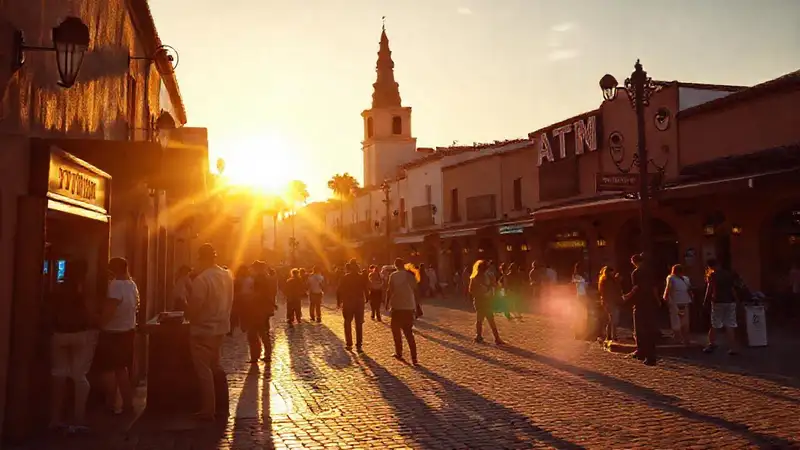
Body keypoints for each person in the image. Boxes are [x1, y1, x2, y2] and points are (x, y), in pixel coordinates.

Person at [186, 243, 234, 421]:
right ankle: (223, 405)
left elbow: (196, 305)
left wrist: (188, 313)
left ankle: (208, 410)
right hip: (221, 328)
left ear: (201, 259)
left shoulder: (202, 279)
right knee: (216, 366)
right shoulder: (227, 275)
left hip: (203, 329)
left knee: (203, 370)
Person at [48, 260, 97, 432]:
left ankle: (55, 419)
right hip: (80, 334)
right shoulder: (85, 289)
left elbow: (50, 310)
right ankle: (78, 420)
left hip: (59, 334)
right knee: (79, 376)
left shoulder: (58, 288)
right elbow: (90, 313)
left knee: (59, 376)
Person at [96, 257, 139, 415]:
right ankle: (127, 404)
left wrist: (99, 322)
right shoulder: (132, 285)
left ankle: (110, 404)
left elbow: (110, 310)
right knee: (122, 369)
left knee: (108, 370)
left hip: (113, 333)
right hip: (128, 331)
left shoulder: (115, 286)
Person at [622, 253, 658, 366]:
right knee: (649, 329)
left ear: (634, 262)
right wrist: (657, 300)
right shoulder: (650, 271)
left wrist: (627, 297)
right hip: (650, 303)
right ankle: (648, 354)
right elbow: (654, 287)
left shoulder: (636, 273)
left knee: (641, 330)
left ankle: (645, 354)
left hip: (640, 303)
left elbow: (636, 288)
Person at [703, 259, 740, 355]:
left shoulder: (713, 275)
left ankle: (711, 344)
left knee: (715, 323)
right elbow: (733, 288)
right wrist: (736, 300)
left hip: (718, 301)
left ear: (710, 267)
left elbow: (710, 289)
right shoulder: (728, 274)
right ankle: (732, 347)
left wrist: (706, 301)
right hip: (730, 301)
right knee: (730, 324)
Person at [386, 258, 418, 364]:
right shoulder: (410, 275)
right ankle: (414, 357)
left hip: (397, 307)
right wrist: (416, 306)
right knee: (409, 333)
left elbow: (389, 290)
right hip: (409, 307)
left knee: (396, 331)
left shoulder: (393, 276)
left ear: (395, 266)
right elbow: (415, 289)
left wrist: (386, 303)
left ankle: (399, 353)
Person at [469, 260, 505, 345]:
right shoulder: (478, 277)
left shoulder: (481, 277)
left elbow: (471, 290)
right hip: (482, 300)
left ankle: (479, 336)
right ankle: (495, 338)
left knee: (481, 319)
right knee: (488, 319)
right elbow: (471, 290)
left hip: (482, 300)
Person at [244, 261, 273, 363]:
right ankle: (265, 355)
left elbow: (260, 294)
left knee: (254, 334)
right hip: (263, 309)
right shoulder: (266, 277)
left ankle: (256, 356)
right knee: (263, 333)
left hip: (258, 310)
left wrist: (251, 299)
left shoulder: (260, 278)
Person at [336, 261, 368, 351]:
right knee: (359, 324)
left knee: (347, 322)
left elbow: (339, 290)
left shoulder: (345, 277)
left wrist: (339, 301)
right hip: (359, 302)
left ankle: (349, 343)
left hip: (348, 302)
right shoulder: (361, 278)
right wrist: (367, 298)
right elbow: (365, 288)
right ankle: (359, 345)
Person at [663, 264, 693, 346]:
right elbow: (689, 289)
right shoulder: (685, 278)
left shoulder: (671, 278)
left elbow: (668, 288)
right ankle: (685, 339)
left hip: (676, 302)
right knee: (684, 320)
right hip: (684, 301)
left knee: (676, 320)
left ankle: (678, 338)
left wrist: (666, 298)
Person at [598, 266, 623, 341]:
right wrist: (617, 280)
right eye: (611, 272)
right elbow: (613, 291)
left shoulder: (606, 280)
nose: (613, 273)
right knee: (614, 319)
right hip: (610, 302)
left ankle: (609, 336)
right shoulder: (607, 281)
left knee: (611, 319)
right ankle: (614, 336)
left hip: (610, 302)